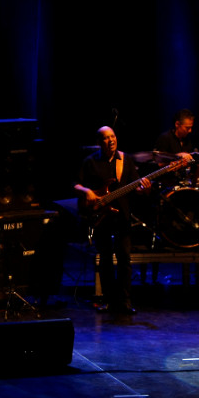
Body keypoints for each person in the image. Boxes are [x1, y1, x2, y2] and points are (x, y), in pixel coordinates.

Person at [75, 126, 150, 314]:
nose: (111, 140)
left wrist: (144, 189)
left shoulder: (126, 160)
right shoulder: (90, 162)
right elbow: (76, 184)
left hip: (122, 216)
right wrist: (88, 192)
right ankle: (108, 299)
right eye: (106, 138)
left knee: (124, 258)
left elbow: (136, 187)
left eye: (113, 136)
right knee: (105, 258)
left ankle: (124, 301)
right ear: (99, 142)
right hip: (101, 216)